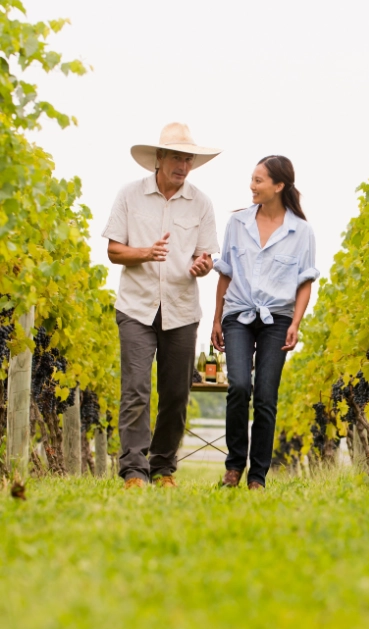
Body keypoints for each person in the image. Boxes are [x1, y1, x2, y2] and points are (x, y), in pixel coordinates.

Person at [103, 122, 221, 489]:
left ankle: (163, 468)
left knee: (176, 393)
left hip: (182, 310)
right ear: (159, 158)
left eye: (188, 159)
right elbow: (113, 250)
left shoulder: (201, 203)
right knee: (136, 389)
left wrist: (203, 266)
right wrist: (145, 253)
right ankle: (133, 471)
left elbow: (206, 258)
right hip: (136, 308)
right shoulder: (129, 196)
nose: (183, 165)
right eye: (176, 157)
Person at [212, 155, 319, 490]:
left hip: (278, 318)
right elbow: (225, 275)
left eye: (259, 180)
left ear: (279, 185)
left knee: (265, 396)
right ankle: (234, 467)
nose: (252, 186)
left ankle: (257, 476)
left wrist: (296, 323)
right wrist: (216, 318)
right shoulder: (237, 224)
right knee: (240, 385)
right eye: (252, 179)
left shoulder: (301, 231)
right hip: (238, 313)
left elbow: (305, 282)